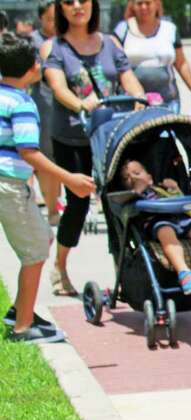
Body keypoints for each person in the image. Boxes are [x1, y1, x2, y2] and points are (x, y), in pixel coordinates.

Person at [41, 0, 143, 297]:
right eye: (68, 2)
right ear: (60, 8)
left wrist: (138, 97)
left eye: (82, 1)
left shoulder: (110, 42)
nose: (76, 7)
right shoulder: (54, 48)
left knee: (119, 203)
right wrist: (81, 104)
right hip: (72, 138)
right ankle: (60, 267)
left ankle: (125, 273)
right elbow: (58, 88)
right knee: (78, 204)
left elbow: (128, 77)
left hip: (110, 135)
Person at [0, 31, 94, 342]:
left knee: (42, 239)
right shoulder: (22, 104)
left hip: (7, 186)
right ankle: (23, 326)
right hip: (11, 186)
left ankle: (20, 309)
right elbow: (29, 152)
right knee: (36, 252)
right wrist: (71, 179)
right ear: (31, 69)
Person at [118, 157, 191, 293]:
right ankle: (184, 272)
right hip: (158, 221)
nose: (132, 177)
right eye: (127, 177)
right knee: (165, 231)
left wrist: (175, 188)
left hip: (180, 217)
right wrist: (138, 191)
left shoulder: (162, 189)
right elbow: (132, 210)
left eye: (136, 173)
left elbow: (182, 201)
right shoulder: (133, 197)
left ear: (149, 177)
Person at [113, 0, 191, 113]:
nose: (144, 7)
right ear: (133, 6)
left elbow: (181, 63)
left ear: (156, 5)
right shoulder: (122, 30)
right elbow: (115, 64)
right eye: (139, 3)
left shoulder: (169, 29)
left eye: (148, 3)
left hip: (167, 101)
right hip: (131, 103)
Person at [29, 2, 59, 226]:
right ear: (41, 19)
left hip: (72, 109)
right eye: (51, 19)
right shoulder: (32, 41)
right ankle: (52, 208)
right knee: (48, 158)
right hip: (45, 106)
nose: (56, 23)